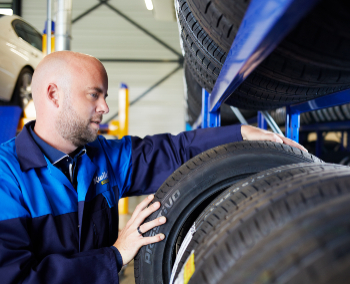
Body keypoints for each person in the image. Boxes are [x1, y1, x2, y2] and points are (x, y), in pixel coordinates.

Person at [0, 51, 306, 283]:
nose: (105, 107)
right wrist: (115, 255)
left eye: (104, 96)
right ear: (54, 95)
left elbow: (173, 150)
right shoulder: (6, 175)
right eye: (94, 94)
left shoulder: (101, 156)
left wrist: (240, 133)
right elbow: (13, 277)